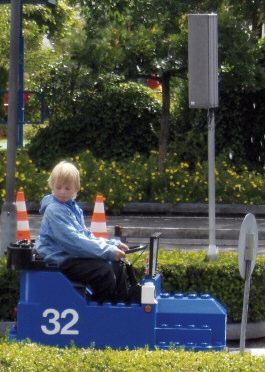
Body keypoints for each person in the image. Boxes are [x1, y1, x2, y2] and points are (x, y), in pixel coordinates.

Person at [36, 160, 141, 303]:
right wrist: (108, 251)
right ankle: (103, 314)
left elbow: (85, 235)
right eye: (58, 187)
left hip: (69, 255)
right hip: (59, 258)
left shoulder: (72, 208)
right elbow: (73, 241)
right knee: (103, 272)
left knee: (117, 265)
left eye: (67, 188)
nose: (62, 192)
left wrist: (112, 244)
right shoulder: (54, 210)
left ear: (76, 189)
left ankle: (121, 305)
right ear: (51, 185)